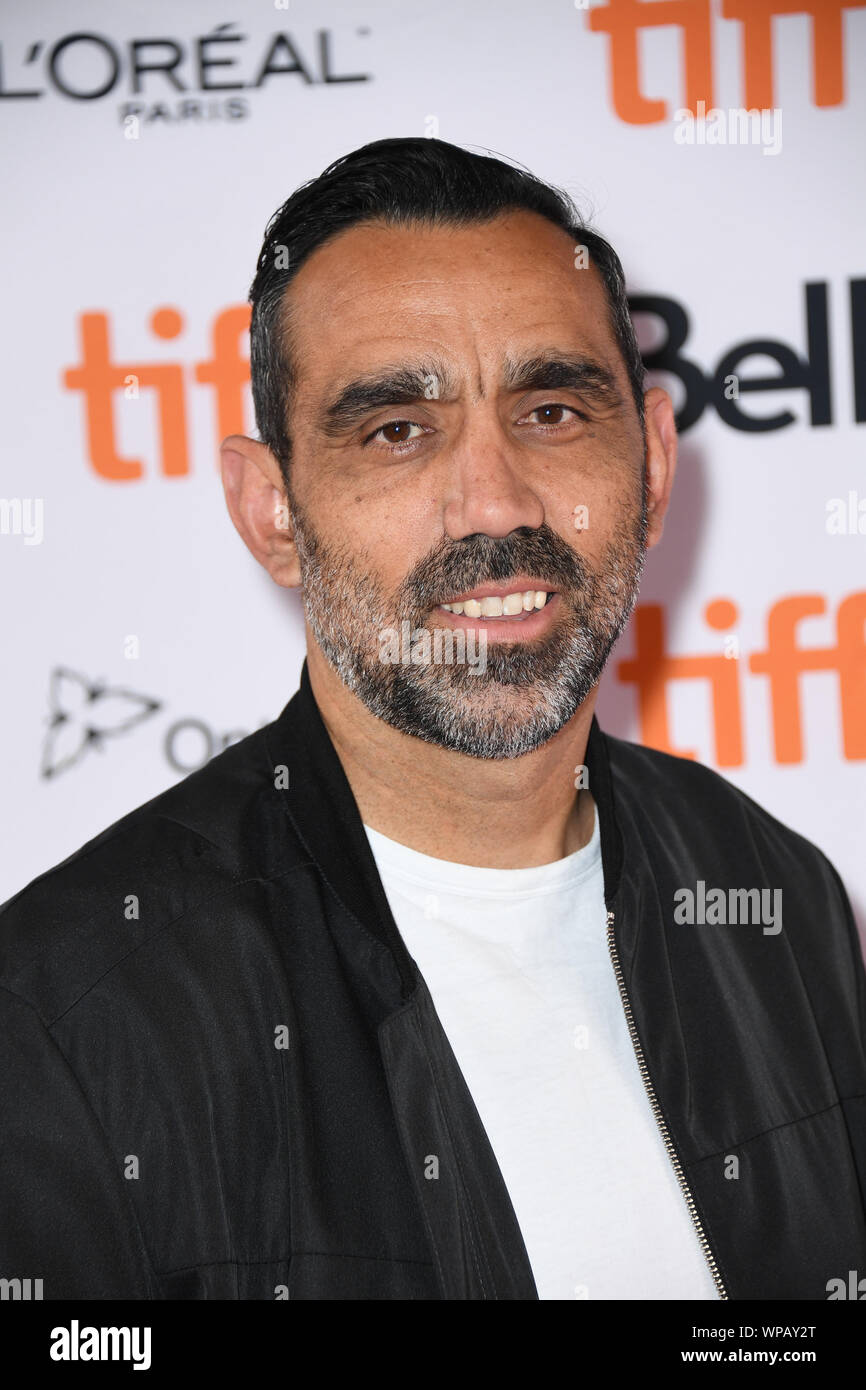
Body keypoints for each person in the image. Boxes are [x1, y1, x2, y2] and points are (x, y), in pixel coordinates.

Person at [1, 138, 864, 1301]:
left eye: (553, 409)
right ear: (273, 515)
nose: (494, 501)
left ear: (652, 468)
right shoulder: (64, 1015)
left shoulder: (773, 890)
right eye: (395, 430)